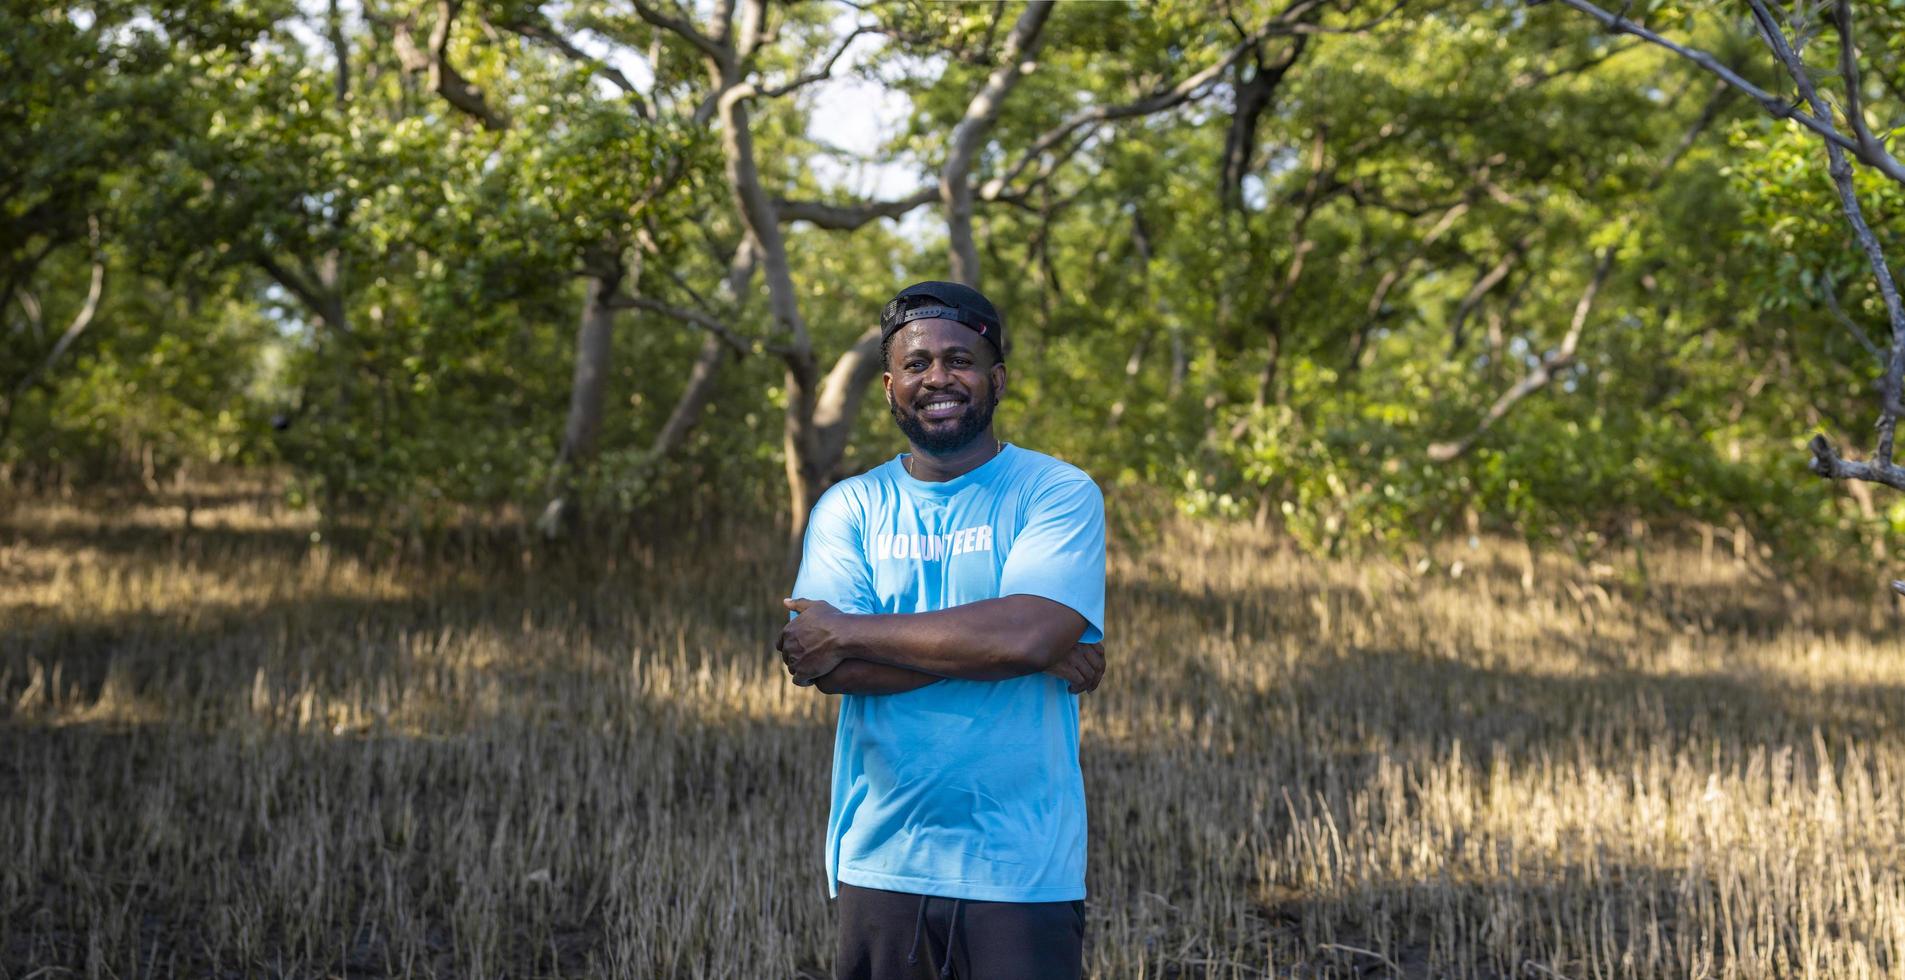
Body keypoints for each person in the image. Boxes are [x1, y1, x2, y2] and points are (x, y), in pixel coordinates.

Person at [778, 280, 1107, 980]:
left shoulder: (1055, 491)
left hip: (1020, 865)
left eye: (959, 360)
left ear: (996, 378)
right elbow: (827, 668)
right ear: (891, 385)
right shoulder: (851, 507)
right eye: (918, 364)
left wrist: (854, 630)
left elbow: (1027, 636)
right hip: (882, 857)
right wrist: (1017, 647)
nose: (938, 379)